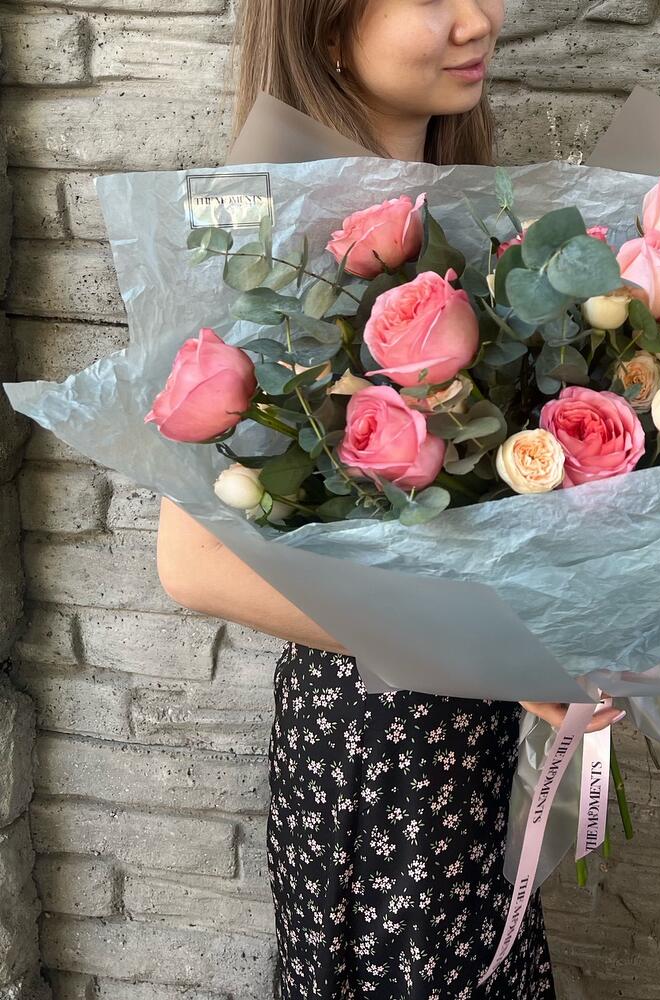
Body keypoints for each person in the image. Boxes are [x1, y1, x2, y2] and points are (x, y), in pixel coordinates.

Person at [157, 1, 626, 996]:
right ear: (328, 29)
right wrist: (480, 646)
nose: (478, 19)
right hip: (375, 757)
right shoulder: (272, 241)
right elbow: (191, 563)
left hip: (468, 746)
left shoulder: (468, 228)